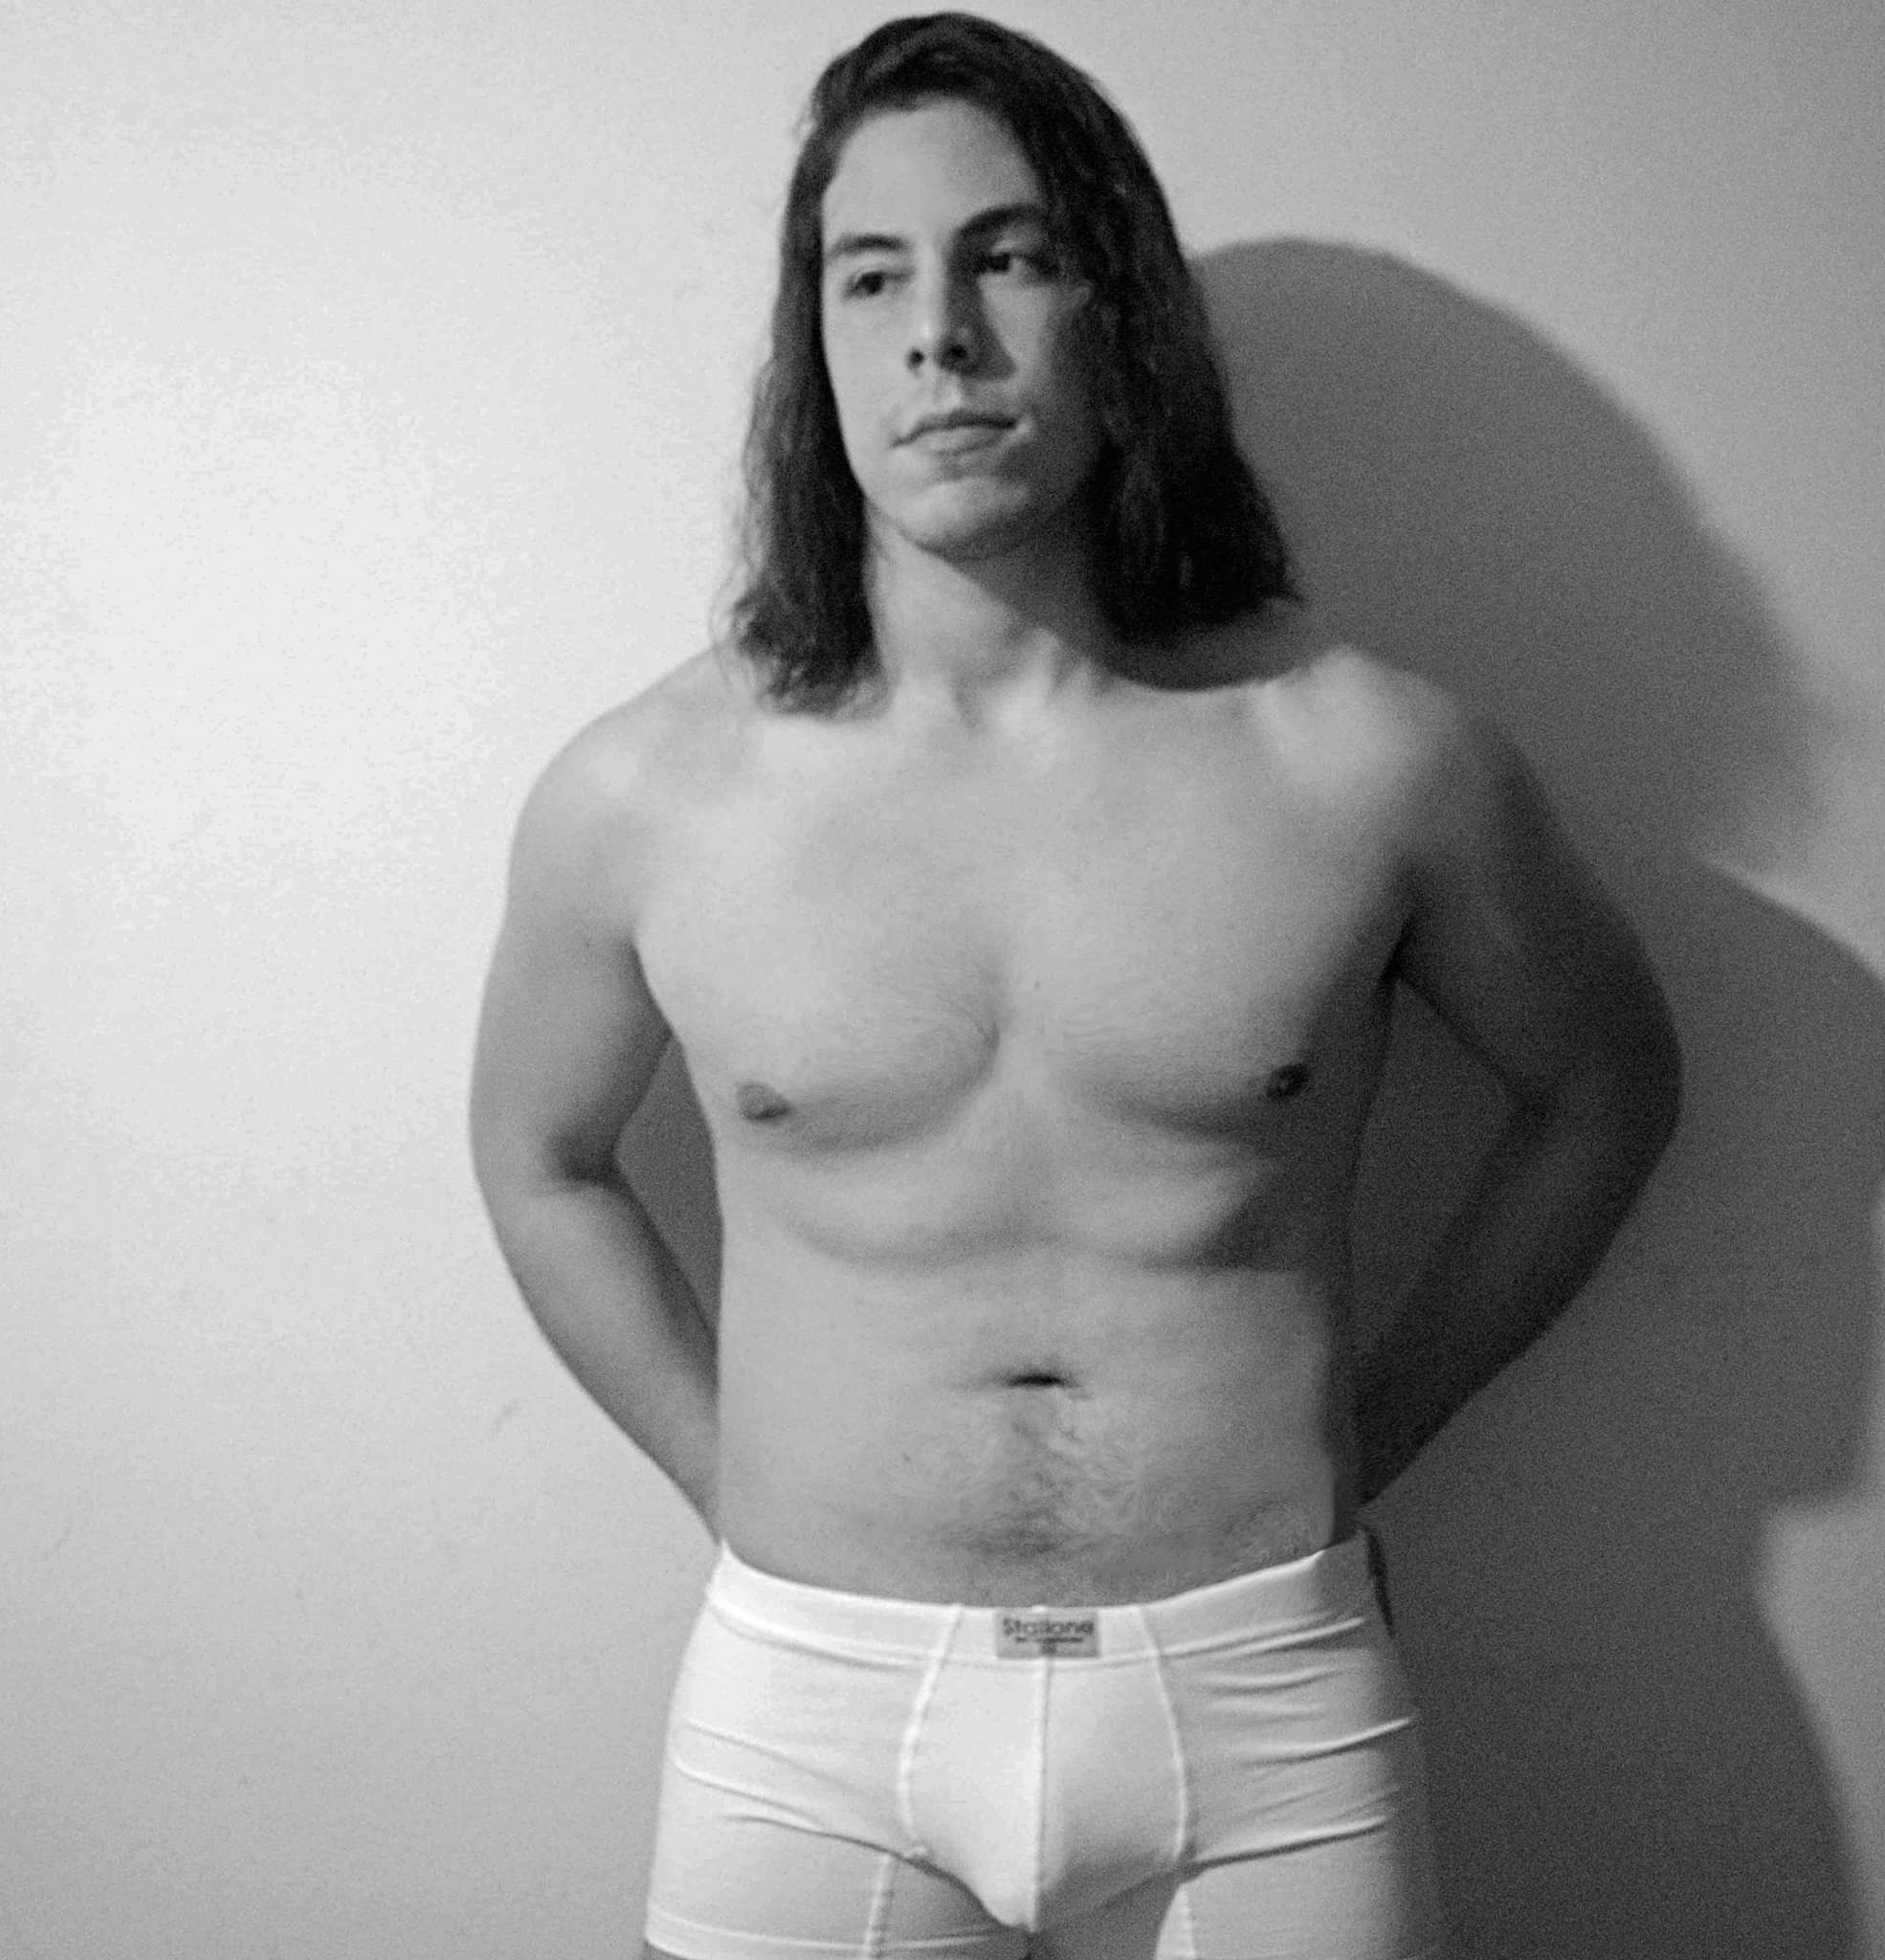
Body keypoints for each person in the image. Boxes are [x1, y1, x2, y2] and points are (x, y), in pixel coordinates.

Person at [468, 14, 1682, 1959]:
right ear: (814, 343)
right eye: (872, 277)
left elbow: (1608, 1085)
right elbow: (536, 1156)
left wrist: (1378, 1427)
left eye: (1008, 257)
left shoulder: (1364, 760)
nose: (939, 337)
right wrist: (727, 1475)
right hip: (812, 1714)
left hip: (1263, 1699)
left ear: (1119, 314)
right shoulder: (645, 798)